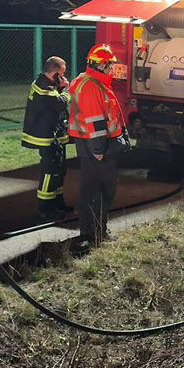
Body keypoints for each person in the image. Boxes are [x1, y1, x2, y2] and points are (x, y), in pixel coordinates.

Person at [68, 44, 129, 255]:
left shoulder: (92, 82)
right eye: (110, 65)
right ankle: (93, 233)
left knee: (97, 189)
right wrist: (98, 149)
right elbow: (95, 122)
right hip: (95, 146)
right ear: (100, 65)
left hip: (94, 144)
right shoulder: (91, 86)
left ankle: (95, 231)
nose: (112, 68)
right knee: (97, 190)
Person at [21, 56, 72, 220]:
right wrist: (66, 90)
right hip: (46, 137)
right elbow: (59, 103)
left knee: (59, 170)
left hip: (54, 135)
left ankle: (57, 202)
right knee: (50, 172)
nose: (63, 77)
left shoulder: (48, 84)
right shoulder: (43, 87)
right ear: (56, 73)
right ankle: (46, 208)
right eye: (62, 74)